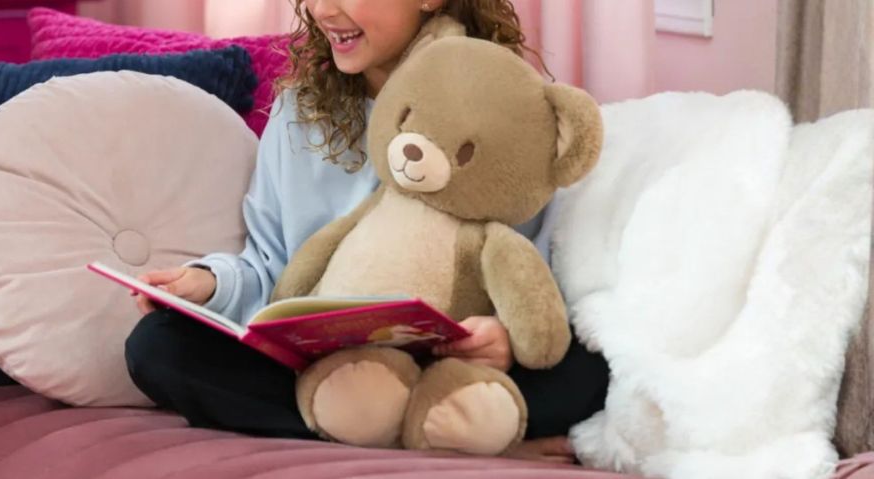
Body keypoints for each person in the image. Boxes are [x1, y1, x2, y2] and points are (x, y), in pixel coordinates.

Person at [125, 0, 609, 462]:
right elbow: (268, 268)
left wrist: (503, 336)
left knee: (591, 369)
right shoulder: (298, 113)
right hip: (330, 369)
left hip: (455, 366)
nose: (322, 11)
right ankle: (446, 436)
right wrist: (207, 285)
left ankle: (404, 424)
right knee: (158, 347)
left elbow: (537, 267)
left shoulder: (504, 104)